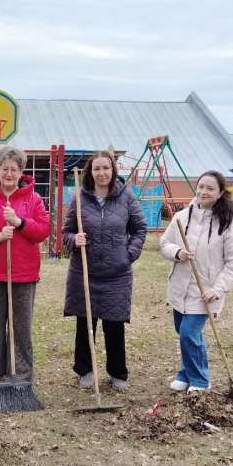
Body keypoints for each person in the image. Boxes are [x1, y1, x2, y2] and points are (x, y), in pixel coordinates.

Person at [62, 151, 146, 391]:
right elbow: (67, 230)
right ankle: (85, 370)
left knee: (114, 324)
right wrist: (73, 239)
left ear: (113, 170)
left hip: (116, 273)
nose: (101, 173)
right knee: (85, 324)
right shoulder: (80, 197)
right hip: (84, 272)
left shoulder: (126, 196)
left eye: (106, 168)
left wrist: (127, 254)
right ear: (91, 171)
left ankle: (117, 372)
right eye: (97, 169)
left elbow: (139, 228)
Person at [0, 146, 50, 384]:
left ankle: (22, 372)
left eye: (14, 169)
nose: (9, 174)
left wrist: (19, 222)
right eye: (5, 169)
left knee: (21, 326)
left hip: (24, 274)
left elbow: (42, 231)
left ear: (21, 172)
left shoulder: (34, 199)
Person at [159, 170, 233, 393]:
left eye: (210, 188)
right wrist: (178, 253)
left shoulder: (227, 224)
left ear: (219, 193)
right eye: (201, 187)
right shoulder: (182, 217)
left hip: (205, 292)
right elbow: (164, 243)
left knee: (189, 333)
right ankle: (186, 373)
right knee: (185, 333)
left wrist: (218, 289)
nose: (203, 192)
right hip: (179, 288)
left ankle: (200, 380)